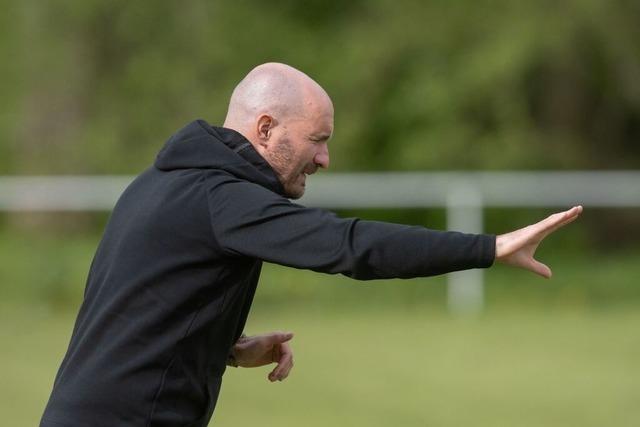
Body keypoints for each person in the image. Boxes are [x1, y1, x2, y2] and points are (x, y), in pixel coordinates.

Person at [40, 62, 582, 427]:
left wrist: (227, 347)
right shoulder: (222, 199)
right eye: (317, 140)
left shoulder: (161, 182)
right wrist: (489, 248)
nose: (324, 159)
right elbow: (350, 246)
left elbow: (142, 307)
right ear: (267, 128)